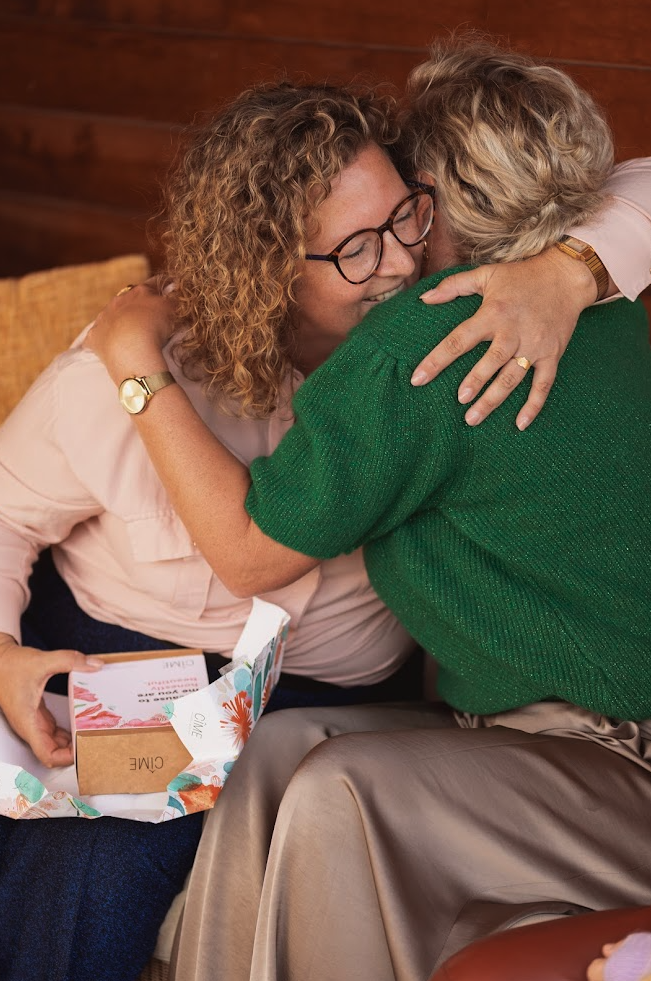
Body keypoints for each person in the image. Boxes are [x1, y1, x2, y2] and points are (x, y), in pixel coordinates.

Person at [4, 76, 644, 981]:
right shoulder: (123, 379)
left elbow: (633, 187)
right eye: (351, 249)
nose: (394, 263)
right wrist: (0, 651)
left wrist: (567, 268)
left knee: (285, 788)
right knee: (91, 853)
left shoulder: (457, 327)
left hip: (317, 686)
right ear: (266, 269)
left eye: (404, 219)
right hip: (128, 659)